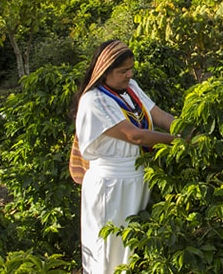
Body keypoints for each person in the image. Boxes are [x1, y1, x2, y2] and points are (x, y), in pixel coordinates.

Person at [72, 39, 177, 273]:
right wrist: (179, 141)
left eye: (131, 69)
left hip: (136, 179)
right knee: (109, 250)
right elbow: (135, 136)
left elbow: (158, 115)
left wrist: (187, 128)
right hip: (110, 186)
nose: (129, 74)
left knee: (132, 248)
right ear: (104, 72)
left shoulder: (131, 89)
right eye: (122, 71)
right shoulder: (94, 100)